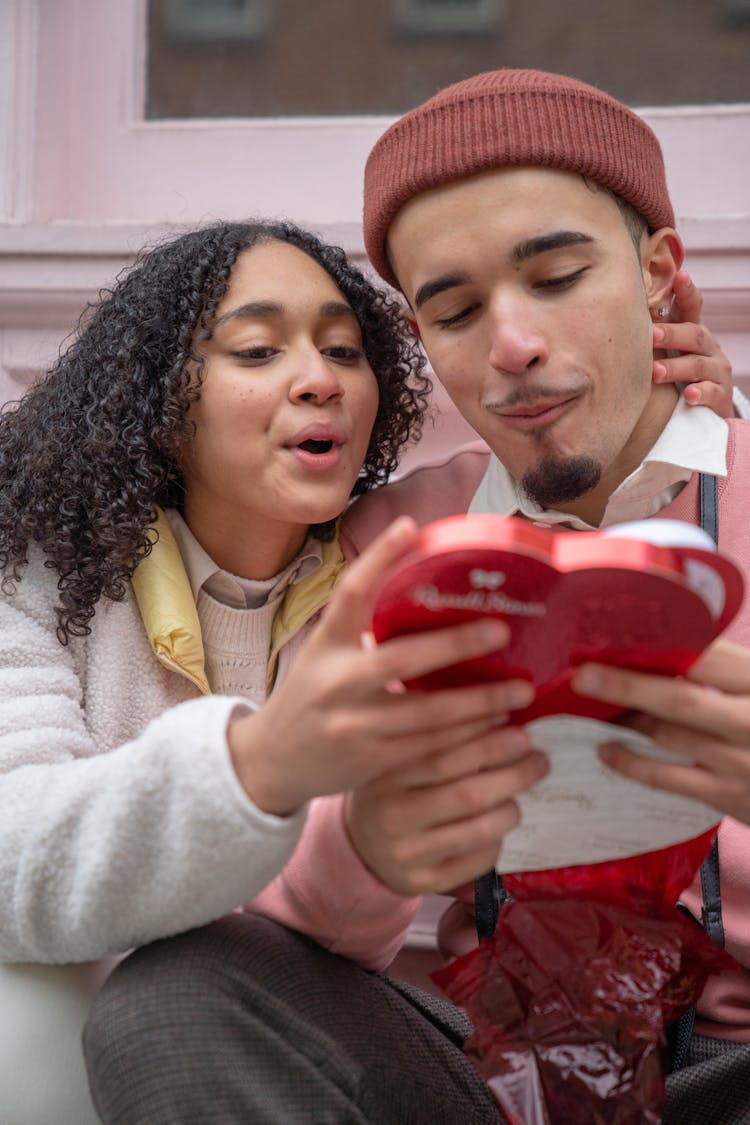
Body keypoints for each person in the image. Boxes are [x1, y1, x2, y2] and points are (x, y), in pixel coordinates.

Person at [83, 73, 749, 1125]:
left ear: (658, 273)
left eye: (561, 275)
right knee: (176, 999)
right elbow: (292, 909)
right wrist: (370, 848)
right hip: (480, 1064)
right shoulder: (382, 545)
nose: (514, 345)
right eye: (456, 309)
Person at [0, 217, 547, 1124]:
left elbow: (595, 482)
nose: (320, 379)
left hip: (278, 1034)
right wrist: (259, 763)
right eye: (257, 349)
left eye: (345, 349)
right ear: (156, 396)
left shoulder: (400, 555)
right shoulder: (34, 566)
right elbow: (12, 847)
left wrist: (692, 399)